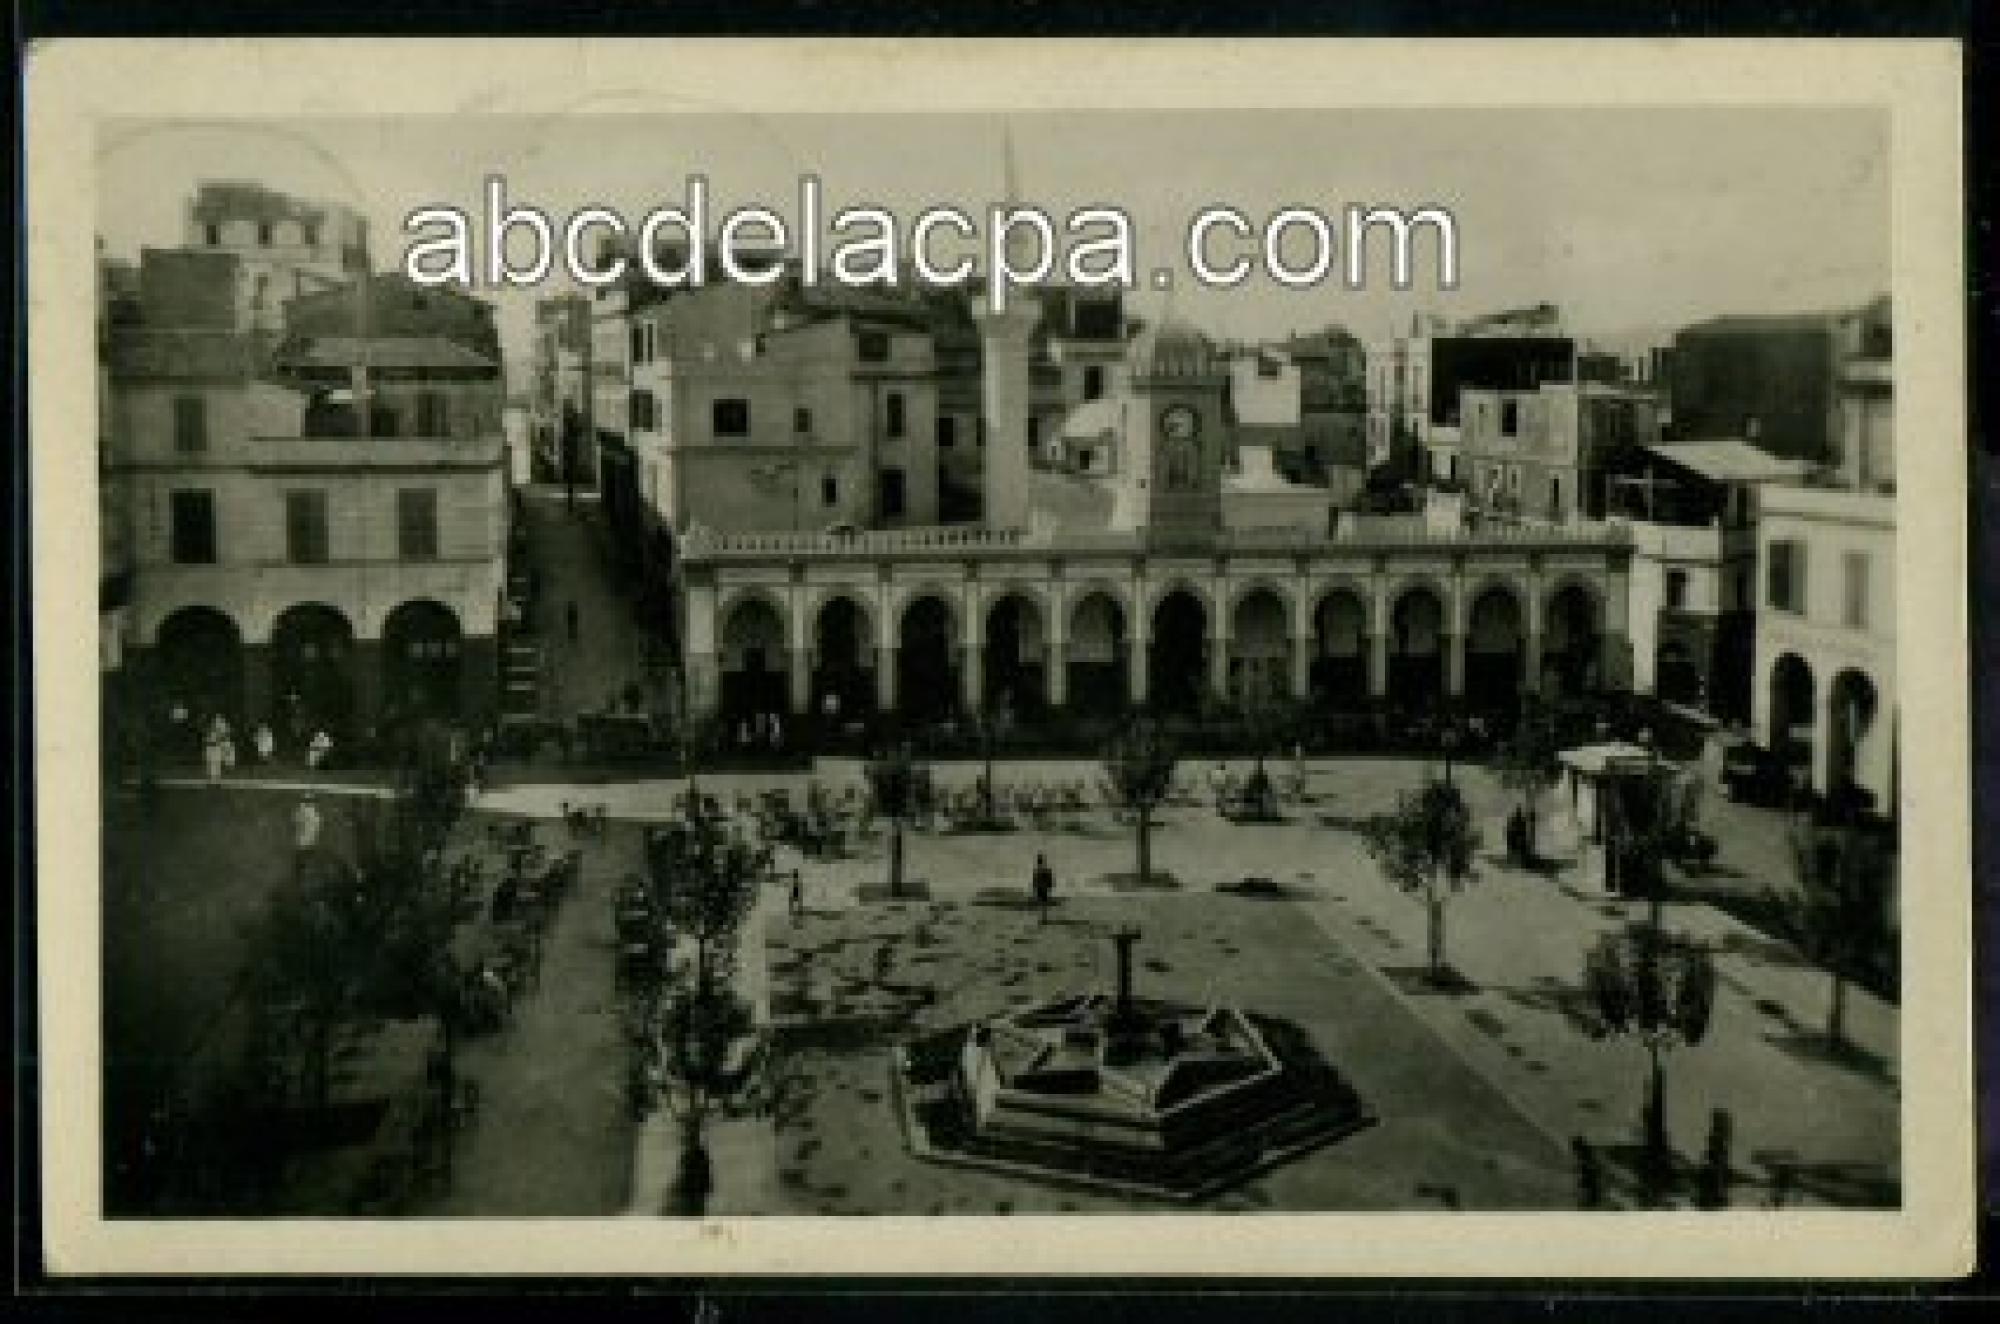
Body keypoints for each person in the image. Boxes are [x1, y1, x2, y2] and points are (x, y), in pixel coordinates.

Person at [1031, 853, 1055, 924]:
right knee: (1043, 905)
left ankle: (1042, 919)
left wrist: (1035, 888)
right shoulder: (1044, 870)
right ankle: (1043, 918)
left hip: (1040, 888)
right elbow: (1048, 880)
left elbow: (1035, 881)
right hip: (1043, 888)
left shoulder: (1038, 870)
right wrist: (1049, 886)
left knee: (1041, 904)